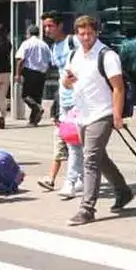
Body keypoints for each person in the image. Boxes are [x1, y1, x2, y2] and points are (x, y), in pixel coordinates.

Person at [62, 15, 135, 226]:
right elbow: (68, 84)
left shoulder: (107, 55)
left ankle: (87, 209)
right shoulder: (75, 55)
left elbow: (119, 87)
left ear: (96, 32)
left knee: (90, 159)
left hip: (102, 113)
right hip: (83, 114)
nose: (85, 37)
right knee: (99, 158)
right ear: (76, 34)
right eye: (81, 33)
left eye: (89, 33)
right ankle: (123, 191)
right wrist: (67, 82)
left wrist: (117, 115)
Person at [40, 12, 83, 198]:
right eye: (45, 26)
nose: (47, 30)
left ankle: (71, 181)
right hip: (65, 100)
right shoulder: (53, 47)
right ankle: (81, 177)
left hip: (79, 100)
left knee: (74, 143)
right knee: (73, 141)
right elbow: (59, 75)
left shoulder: (73, 42)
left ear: (59, 26)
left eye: (50, 26)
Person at [15, 25, 51, 126]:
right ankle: (33, 120)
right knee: (37, 96)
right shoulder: (44, 45)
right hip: (41, 73)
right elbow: (49, 60)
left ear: (29, 33)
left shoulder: (26, 43)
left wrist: (18, 74)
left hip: (30, 72)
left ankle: (36, 108)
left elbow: (20, 59)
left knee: (25, 95)